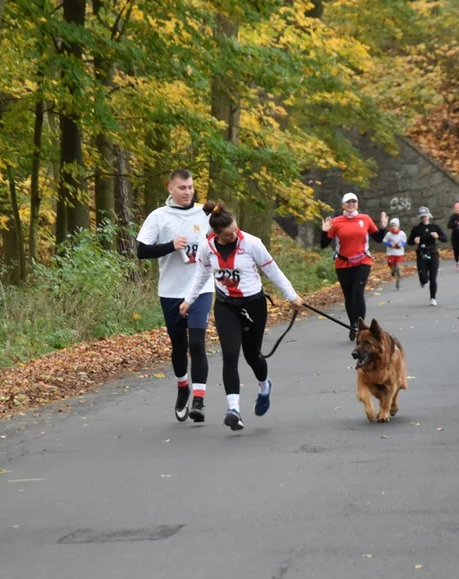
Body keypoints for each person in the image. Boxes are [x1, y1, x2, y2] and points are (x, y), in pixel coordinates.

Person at [181, 202, 303, 431]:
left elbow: (272, 270)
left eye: (236, 230)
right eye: (229, 234)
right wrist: (189, 299)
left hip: (254, 304)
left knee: (253, 355)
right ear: (217, 234)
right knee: (229, 354)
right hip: (226, 306)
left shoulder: (251, 243)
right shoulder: (207, 247)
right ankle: (233, 410)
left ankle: (264, 385)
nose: (235, 235)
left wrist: (291, 296)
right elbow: (201, 273)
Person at [137, 169, 213, 422]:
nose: (188, 192)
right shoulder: (159, 216)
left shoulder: (205, 213)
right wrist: (170, 246)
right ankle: (183, 388)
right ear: (170, 189)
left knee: (197, 343)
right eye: (182, 188)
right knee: (179, 345)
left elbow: (229, 236)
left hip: (201, 287)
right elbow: (141, 251)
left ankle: (199, 401)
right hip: (171, 291)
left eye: (190, 187)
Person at [320, 192, 389, 341]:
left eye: (354, 202)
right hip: (343, 262)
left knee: (358, 293)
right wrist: (324, 232)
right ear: (343, 205)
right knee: (349, 296)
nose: (351, 204)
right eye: (348, 202)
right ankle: (353, 324)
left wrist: (383, 227)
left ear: (357, 204)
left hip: (362, 261)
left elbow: (378, 238)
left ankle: (361, 328)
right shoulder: (337, 222)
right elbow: (323, 245)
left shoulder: (365, 219)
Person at [409, 207, 448, 306]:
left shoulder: (434, 227)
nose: (424, 218)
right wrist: (414, 241)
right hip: (421, 254)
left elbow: (445, 239)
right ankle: (423, 281)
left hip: (433, 253)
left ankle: (433, 298)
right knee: (424, 279)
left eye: (425, 216)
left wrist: (437, 236)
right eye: (422, 217)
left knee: (433, 277)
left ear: (429, 216)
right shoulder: (416, 229)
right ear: (420, 218)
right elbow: (409, 241)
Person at [383, 219, 407, 291]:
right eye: (392, 226)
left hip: (399, 253)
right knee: (393, 267)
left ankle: (398, 284)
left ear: (398, 226)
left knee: (398, 268)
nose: (394, 227)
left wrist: (401, 245)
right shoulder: (389, 234)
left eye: (395, 226)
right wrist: (390, 244)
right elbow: (384, 241)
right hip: (391, 253)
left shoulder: (402, 233)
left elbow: (404, 241)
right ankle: (392, 271)